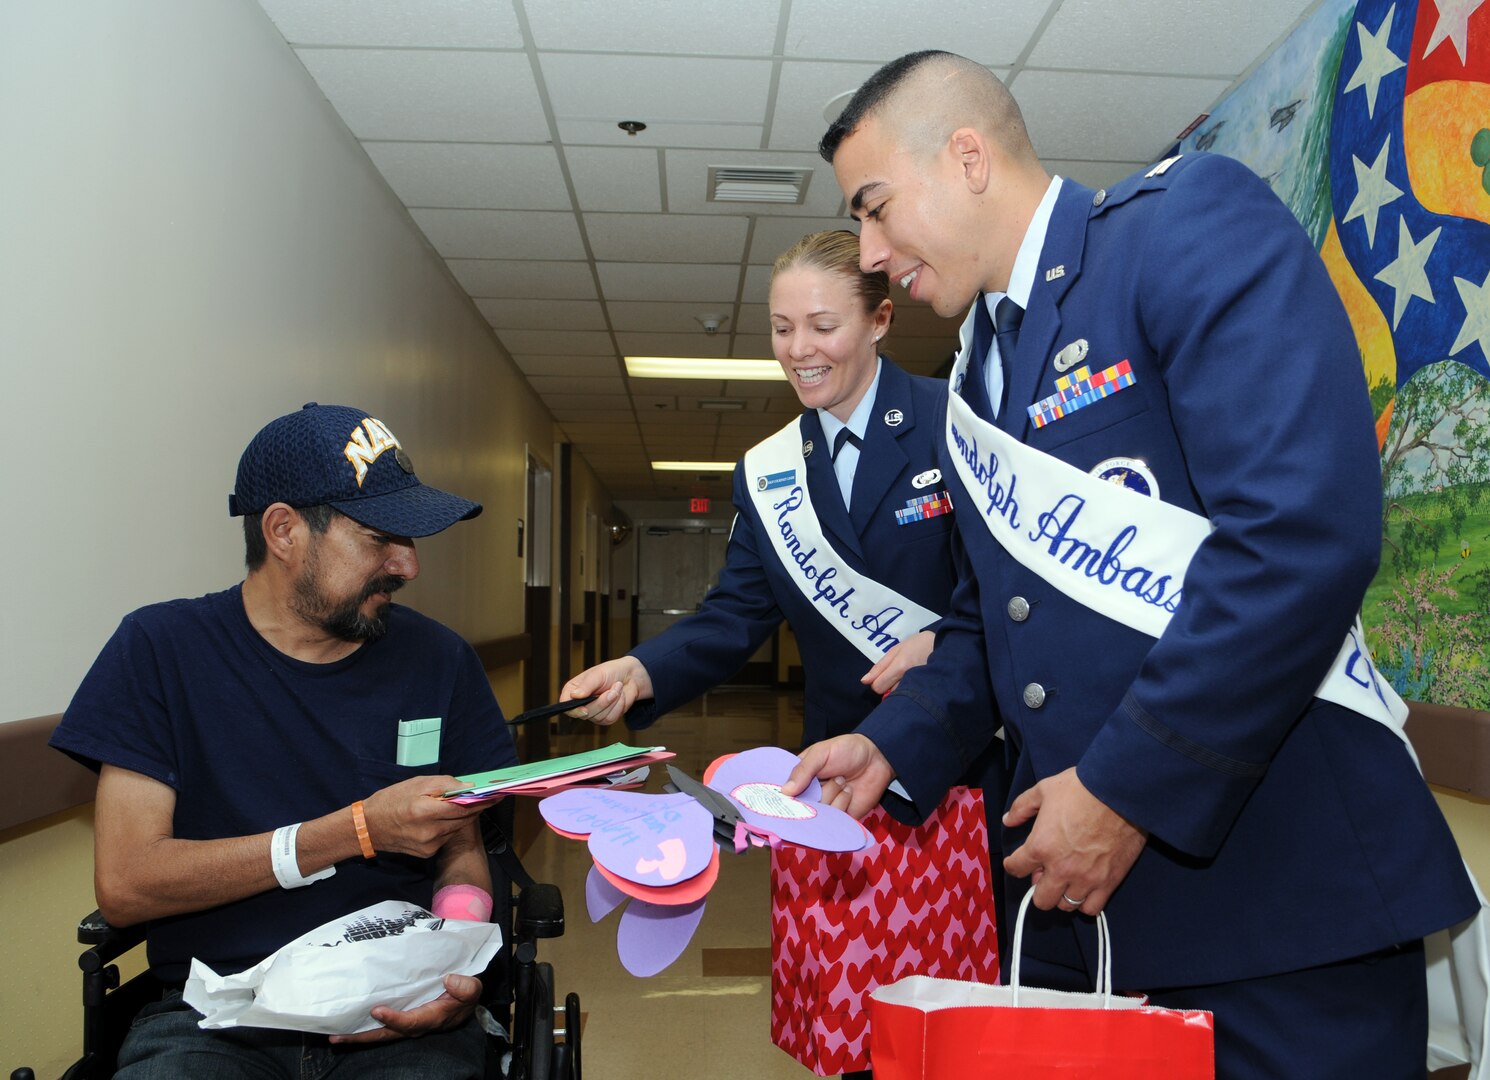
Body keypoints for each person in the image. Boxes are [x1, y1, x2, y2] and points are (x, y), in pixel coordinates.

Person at [783, 50, 1481, 1077]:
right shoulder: (972, 377)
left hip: (1276, 901)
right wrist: (893, 744)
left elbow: (1297, 536)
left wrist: (1120, 792)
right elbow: (992, 618)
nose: (872, 251)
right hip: (1092, 927)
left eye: (876, 208)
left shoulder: (1179, 229)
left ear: (966, 156)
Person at [561, 230, 1000, 1078]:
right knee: (849, 1037)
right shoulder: (766, 473)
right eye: (781, 327)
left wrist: (942, 635)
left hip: (952, 776)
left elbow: (1015, 592)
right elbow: (734, 616)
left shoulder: (958, 424)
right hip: (829, 792)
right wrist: (641, 669)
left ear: (880, 320)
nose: (799, 351)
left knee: (947, 1034)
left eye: (823, 326)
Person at [50, 402, 515, 1079]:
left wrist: (459, 968)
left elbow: (463, 856)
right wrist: (356, 830)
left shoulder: (438, 661)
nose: (408, 566)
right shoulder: (159, 651)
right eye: (381, 537)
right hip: (216, 1013)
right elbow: (126, 883)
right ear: (283, 530)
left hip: (399, 1012)